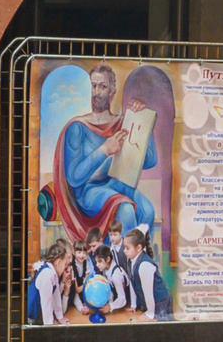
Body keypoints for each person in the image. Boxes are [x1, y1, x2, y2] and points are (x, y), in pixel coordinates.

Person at [46, 64, 157, 241]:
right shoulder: (78, 127)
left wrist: (142, 119)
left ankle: (137, 263)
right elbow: (74, 177)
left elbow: (150, 160)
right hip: (88, 191)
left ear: (112, 91)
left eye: (103, 86)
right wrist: (105, 149)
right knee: (125, 208)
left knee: (148, 210)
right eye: (93, 85)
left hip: (117, 184)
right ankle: (121, 265)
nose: (96, 92)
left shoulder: (122, 123)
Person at [118, 228, 168, 320]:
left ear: (138, 248)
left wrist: (150, 313)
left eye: (127, 248)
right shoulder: (130, 260)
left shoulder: (144, 265)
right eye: (124, 247)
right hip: (149, 304)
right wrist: (133, 305)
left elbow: (148, 292)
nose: (124, 250)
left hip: (159, 302)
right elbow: (133, 283)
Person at [26, 240, 70, 326]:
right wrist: (49, 325)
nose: (65, 267)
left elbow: (56, 295)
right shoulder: (47, 274)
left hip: (37, 314)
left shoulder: (53, 273)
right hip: (30, 316)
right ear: (58, 262)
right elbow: (47, 303)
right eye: (65, 264)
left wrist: (60, 317)